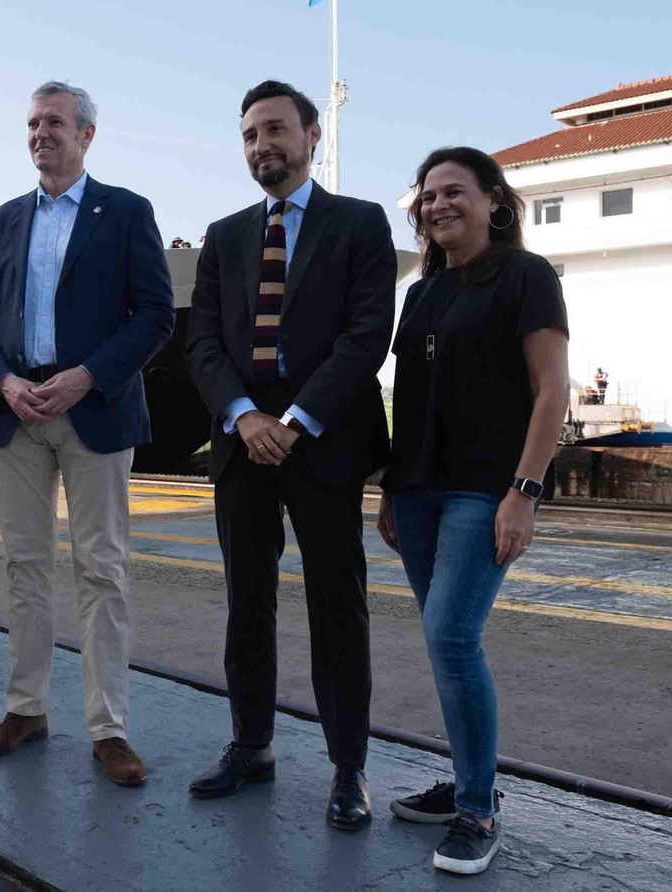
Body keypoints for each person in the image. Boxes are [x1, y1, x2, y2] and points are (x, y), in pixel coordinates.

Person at [183, 79, 397, 832]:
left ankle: (348, 767)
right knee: (248, 598)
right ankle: (252, 743)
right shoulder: (225, 234)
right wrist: (244, 419)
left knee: (338, 605)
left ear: (312, 136)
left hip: (325, 442)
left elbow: (367, 335)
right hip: (244, 447)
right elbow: (202, 341)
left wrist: (297, 420)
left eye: (274, 129)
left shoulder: (359, 224)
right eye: (248, 135)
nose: (260, 145)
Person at [0, 80, 174, 787]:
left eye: (55, 121)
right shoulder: (3, 219)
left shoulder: (127, 213)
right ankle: (27, 710)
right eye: (32, 123)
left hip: (95, 410)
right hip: (19, 415)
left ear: (87, 134)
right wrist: (4, 382)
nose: (40, 133)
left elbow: (155, 315)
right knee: (24, 566)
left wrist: (87, 376)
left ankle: (109, 728)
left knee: (102, 570)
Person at [376, 145, 569, 875]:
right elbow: (415, 399)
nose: (438, 206)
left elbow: (551, 388)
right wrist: (393, 485)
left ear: (493, 199)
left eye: (454, 192)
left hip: (484, 491)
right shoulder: (422, 292)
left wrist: (525, 492)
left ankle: (479, 808)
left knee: (453, 639)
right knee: (441, 642)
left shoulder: (527, 277)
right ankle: (466, 781)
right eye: (427, 197)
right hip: (421, 490)